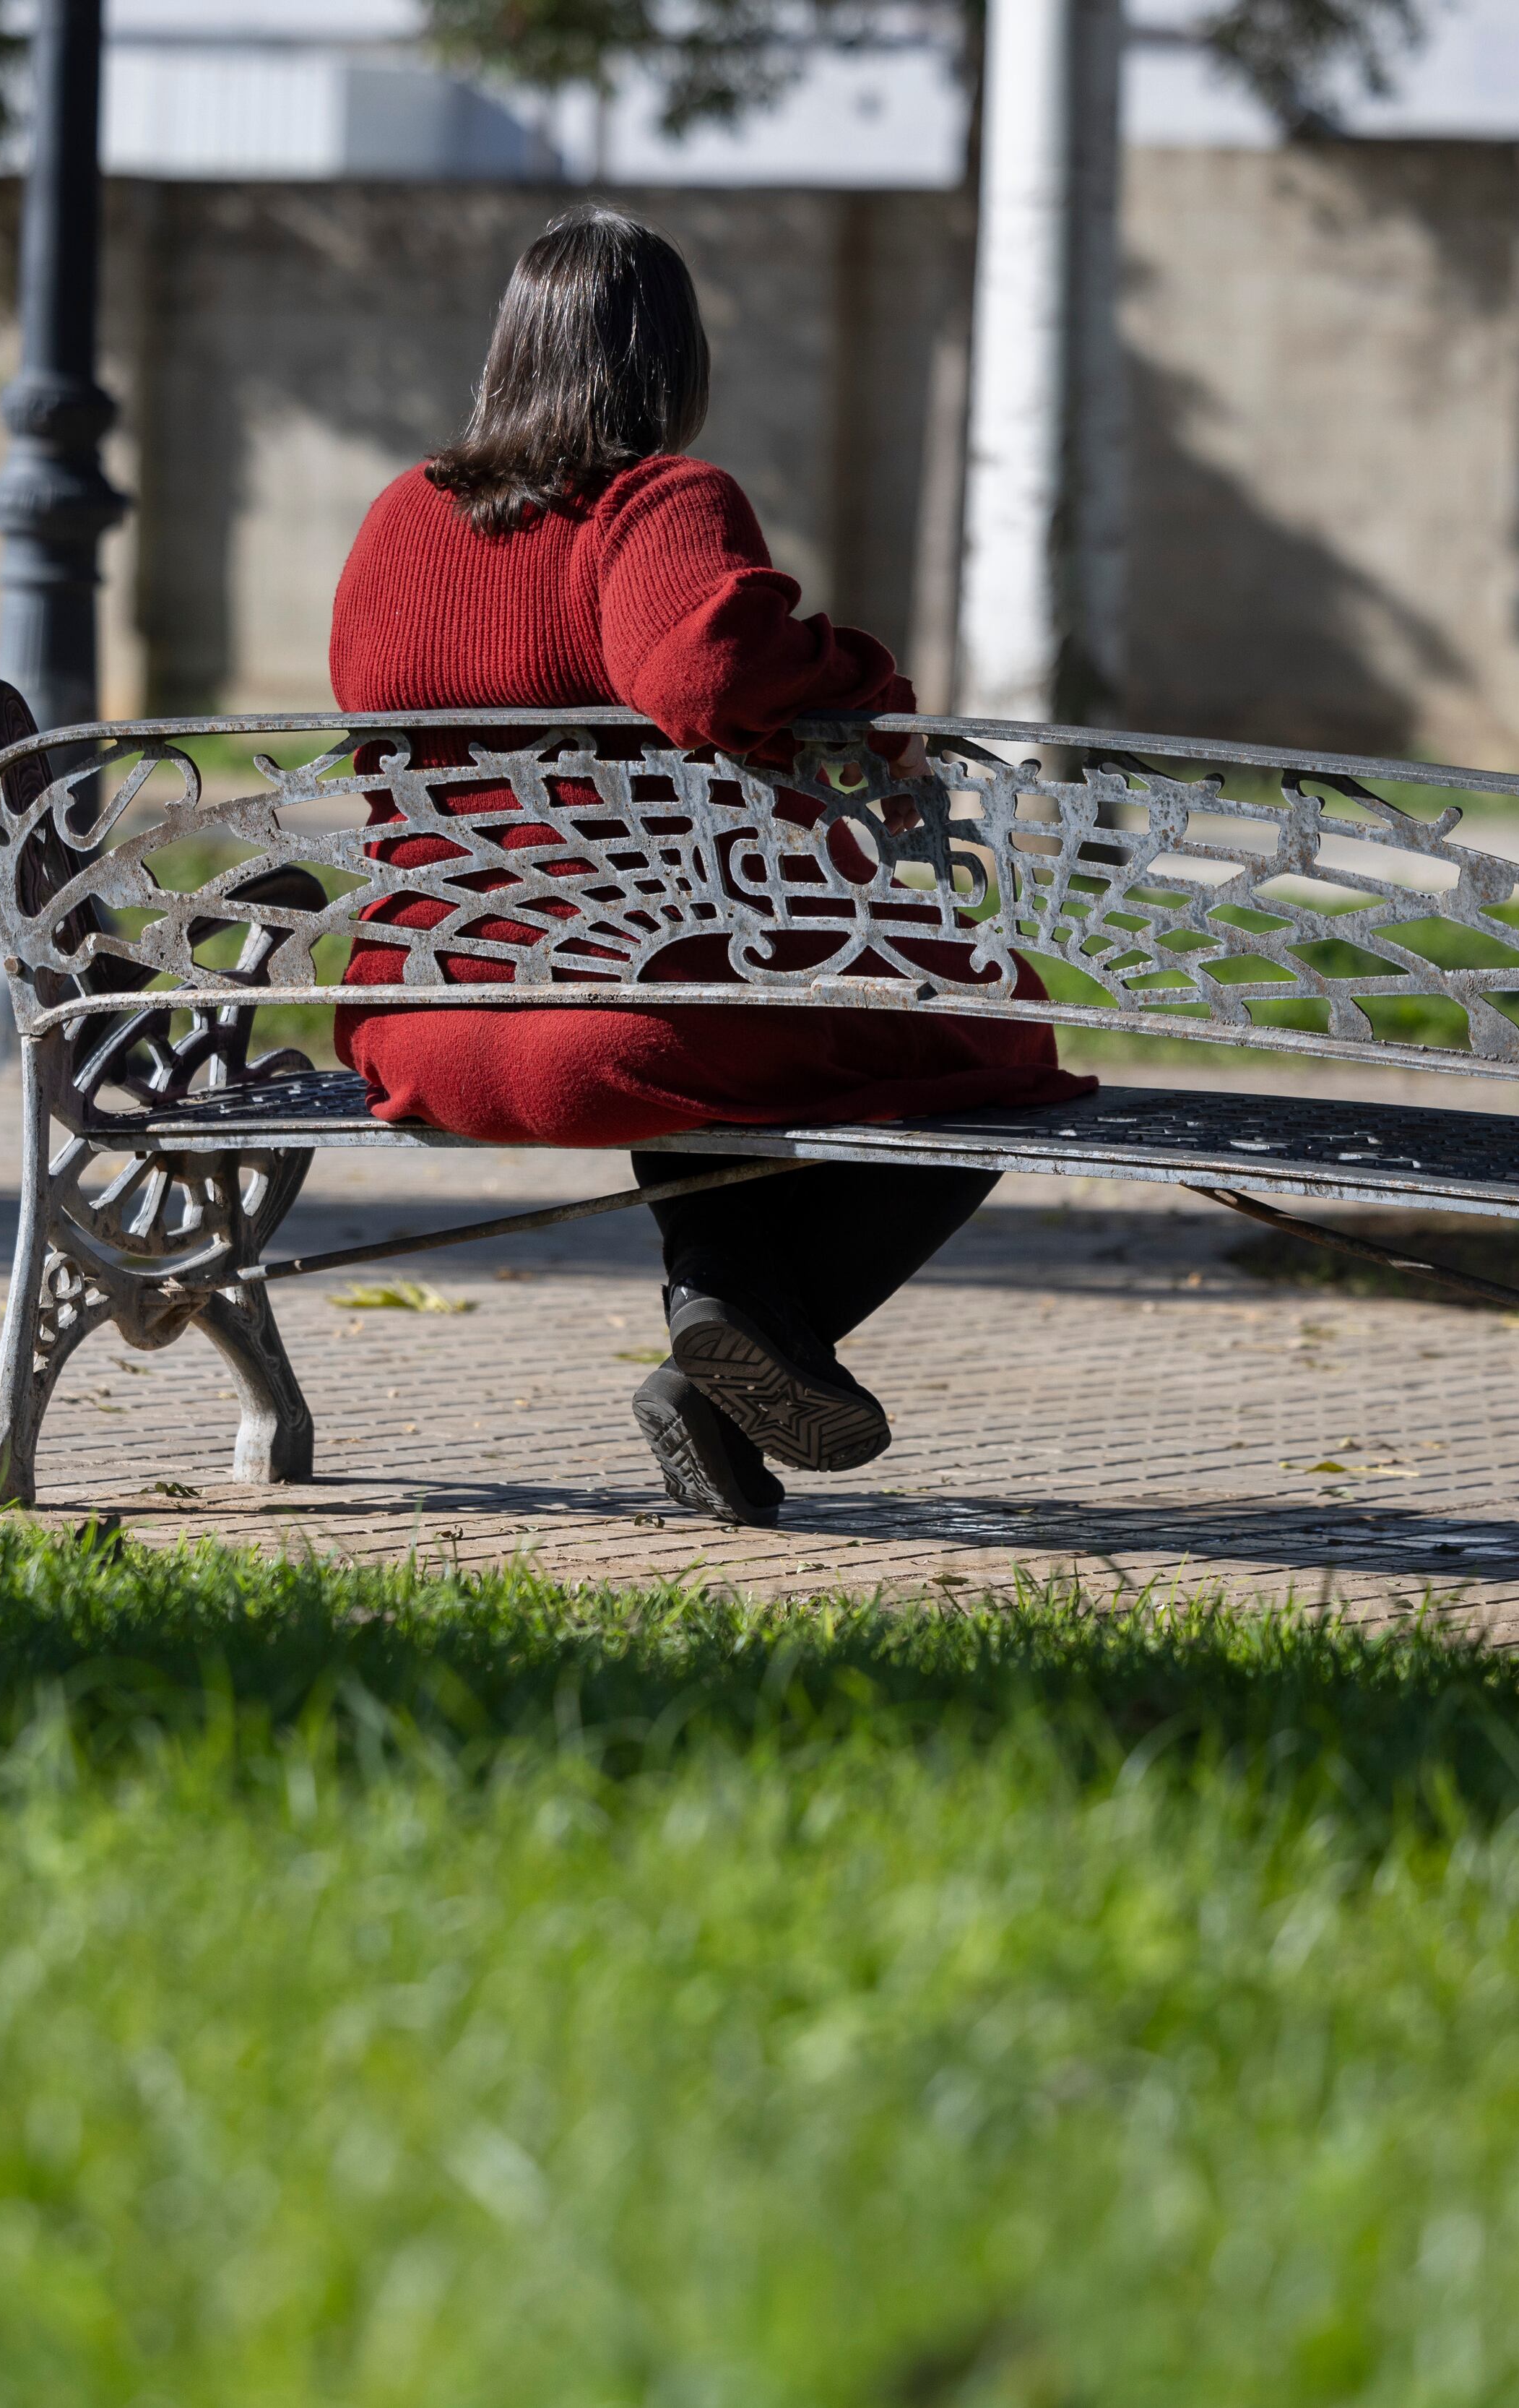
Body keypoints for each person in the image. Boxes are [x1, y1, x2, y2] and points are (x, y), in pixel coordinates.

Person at [327, 202, 1095, 1528]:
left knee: (719, 1006)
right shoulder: (657, 500)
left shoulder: (404, 515)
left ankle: (721, 1358)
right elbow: (703, 668)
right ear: (673, 365)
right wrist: (865, 684)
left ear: (511, 349)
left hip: (416, 1017)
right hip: (611, 1023)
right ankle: (725, 1321)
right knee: (998, 1017)